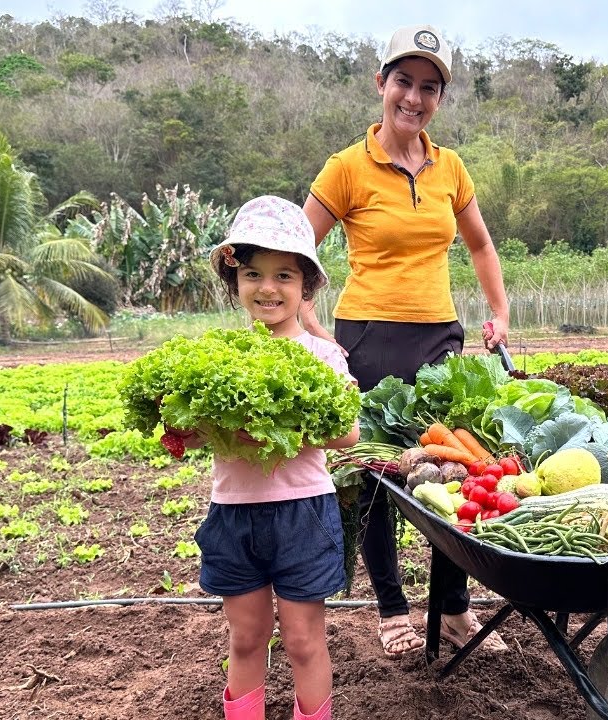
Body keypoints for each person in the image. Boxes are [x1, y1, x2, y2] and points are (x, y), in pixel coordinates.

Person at [300, 24, 511, 659]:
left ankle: (452, 607)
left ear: (439, 98)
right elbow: (294, 249)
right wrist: (311, 325)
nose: (413, 98)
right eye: (403, 82)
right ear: (381, 84)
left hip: (439, 338)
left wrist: (499, 309)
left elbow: (478, 244)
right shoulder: (347, 167)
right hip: (367, 336)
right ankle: (391, 607)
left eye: (429, 87)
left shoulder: (451, 167)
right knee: (377, 477)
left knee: (455, 470)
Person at [191, 195, 360, 720]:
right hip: (234, 512)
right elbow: (191, 436)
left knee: (305, 641)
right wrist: (202, 429)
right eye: (254, 274)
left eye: (284, 276)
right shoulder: (219, 359)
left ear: (305, 286)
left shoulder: (324, 355)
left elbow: (347, 435)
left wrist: (278, 431)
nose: (268, 288)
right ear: (235, 282)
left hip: (303, 512)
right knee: (245, 639)